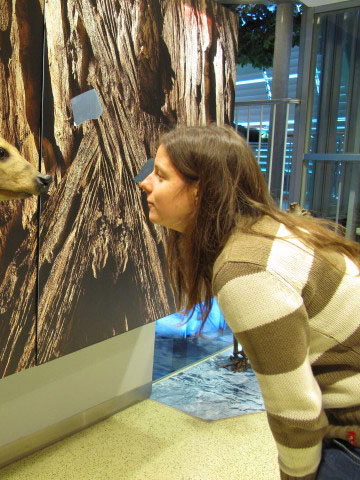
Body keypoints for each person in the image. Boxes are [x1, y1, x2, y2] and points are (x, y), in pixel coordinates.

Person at [134, 124, 360, 480]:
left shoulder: (246, 270)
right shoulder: (261, 232)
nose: (145, 183)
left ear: (200, 191)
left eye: (160, 175)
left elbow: (296, 410)